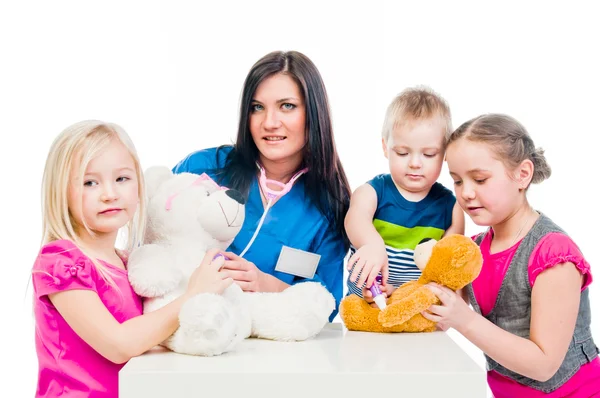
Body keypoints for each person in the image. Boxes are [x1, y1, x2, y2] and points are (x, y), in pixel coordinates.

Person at [31, 120, 232, 398]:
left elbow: (150, 337)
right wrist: (193, 295)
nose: (110, 194)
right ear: (61, 193)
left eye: (122, 179)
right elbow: (119, 344)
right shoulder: (61, 261)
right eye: (90, 182)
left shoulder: (127, 262)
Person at [425, 114, 600, 396]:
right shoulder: (475, 250)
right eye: (457, 181)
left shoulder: (552, 254)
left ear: (522, 174)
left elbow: (544, 365)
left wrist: (465, 320)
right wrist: (393, 297)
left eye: (479, 179)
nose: (466, 192)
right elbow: (441, 310)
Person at [173, 51, 351, 320]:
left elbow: (327, 304)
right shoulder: (203, 168)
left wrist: (264, 284)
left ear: (313, 113)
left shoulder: (329, 206)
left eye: (287, 106)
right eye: (257, 107)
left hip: (269, 351)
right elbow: (151, 233)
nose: (269, 123)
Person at [345, 87, 464, 303]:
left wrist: (406, 294)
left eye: (429, 154)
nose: (415, 163)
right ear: (385, 147)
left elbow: (445, 271)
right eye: (402, 153)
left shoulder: (451, 208)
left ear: (445, 154)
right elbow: (355, 219)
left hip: (415, 310)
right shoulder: (371, 192)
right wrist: (373, 245)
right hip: (366, 307)